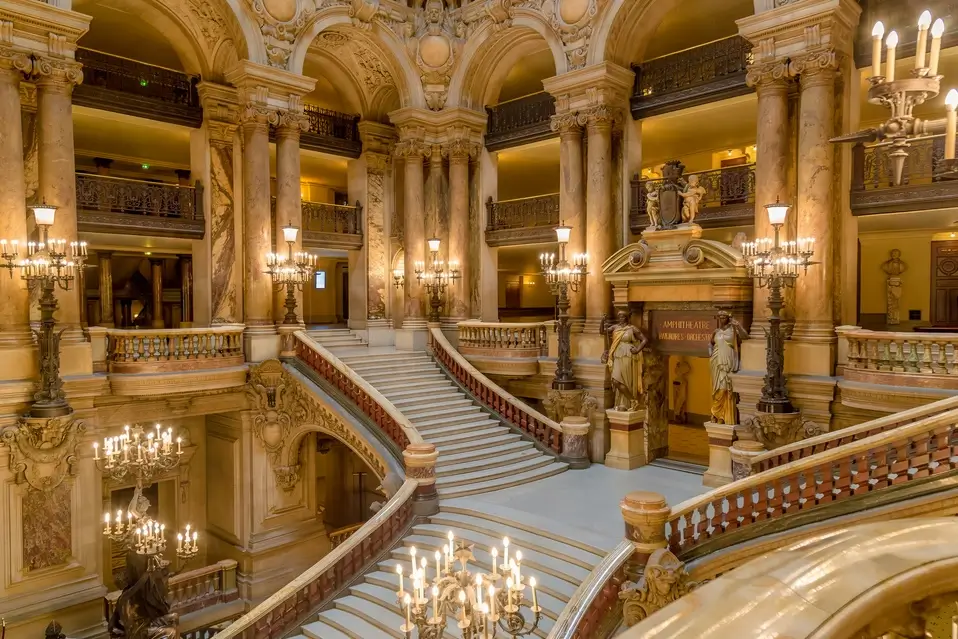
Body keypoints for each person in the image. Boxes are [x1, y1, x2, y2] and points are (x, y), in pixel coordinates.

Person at [601, 310, 649, 411]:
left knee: (625, 380)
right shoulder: (615, 327)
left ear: (626, 318)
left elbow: (644, 340)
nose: (620, 318)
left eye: (622, 316)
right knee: (615, 380)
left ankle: (626, 404)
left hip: (628, 356)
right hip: (617, 355)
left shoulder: (632, 328)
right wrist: (602, 320)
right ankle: (633, 400)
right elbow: (602, 331)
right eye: (619, 317)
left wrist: (637, 349)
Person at [709, 311, 748, 424]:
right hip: (717, 363)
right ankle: (717, 414)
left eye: (724, 317)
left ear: (728, 318)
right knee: (718, 389)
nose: (722, 319)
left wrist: (738, 326)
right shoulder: (716, 331)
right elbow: (710, 344)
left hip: (729, 363)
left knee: (726, 389)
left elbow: (745, 336)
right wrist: (710, 354)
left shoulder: (734, 329)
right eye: (720, 317)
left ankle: (721, 415)